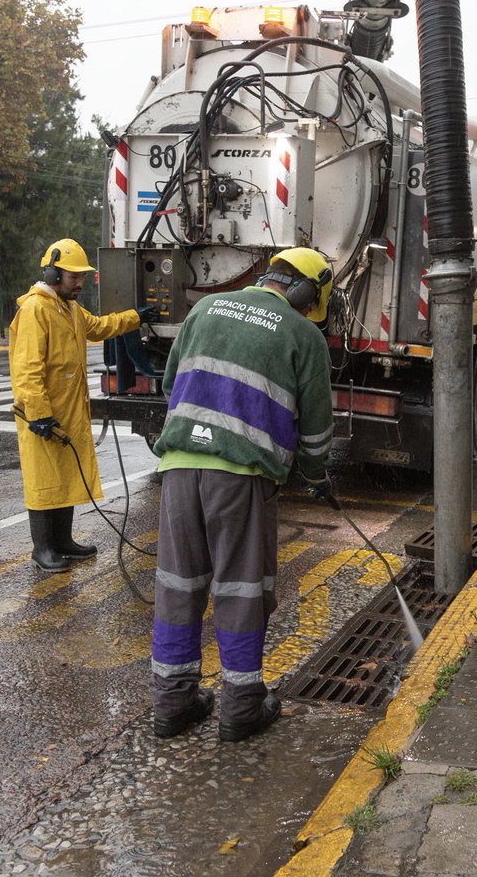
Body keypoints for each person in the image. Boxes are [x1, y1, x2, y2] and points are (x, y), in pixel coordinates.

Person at [149, 247, 335, 743]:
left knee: (178, 585)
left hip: (179, 467)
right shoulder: (304, 334)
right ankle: (240, 708)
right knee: (240, 590)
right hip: (241, 477)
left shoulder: (205, 309)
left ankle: (172, 704)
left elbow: (171, 384)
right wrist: (315, 476)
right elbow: (316, 430)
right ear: (306, 291)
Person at [9, 238, 158, 573]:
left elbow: (99, 327)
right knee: (44, 480)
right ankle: (42, 549)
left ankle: (63, 542)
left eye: (82, 276)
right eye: (73, 276)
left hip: (68, 411)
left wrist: (134, 317)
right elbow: (27, 369)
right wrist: (39, 413)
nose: (80, 283)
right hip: (43, 415)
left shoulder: (70, 310)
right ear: (52, 274)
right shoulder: (35, 310)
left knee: (66, 477)